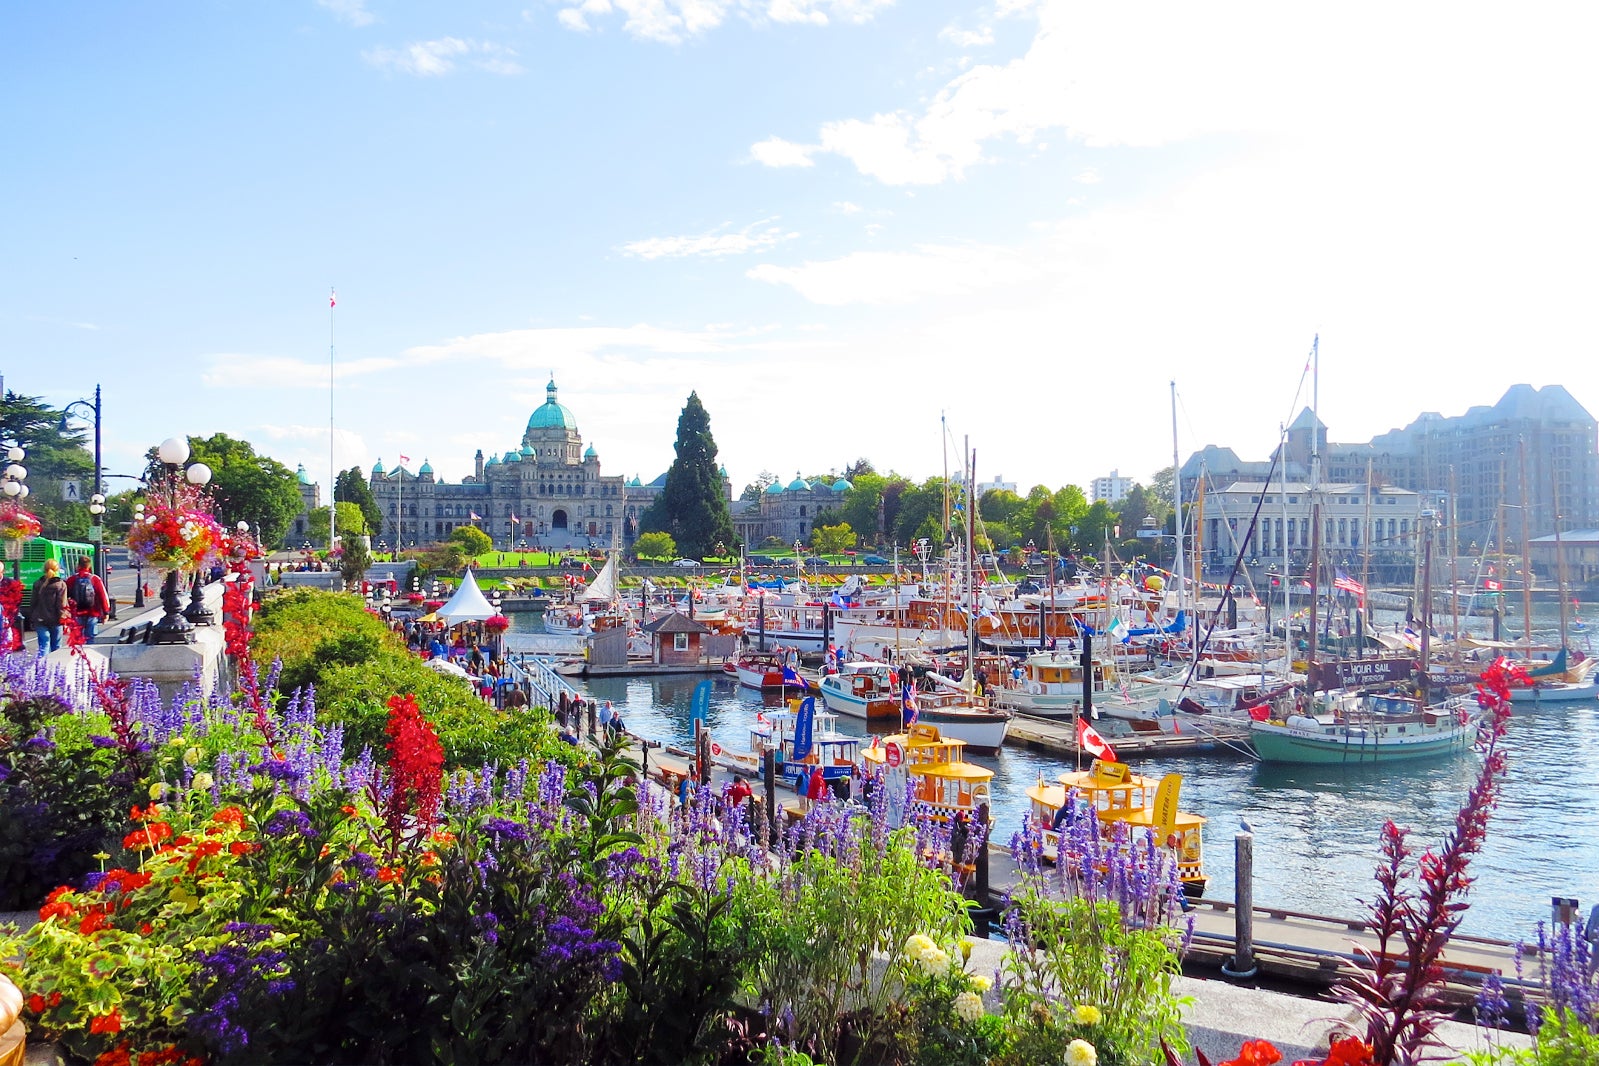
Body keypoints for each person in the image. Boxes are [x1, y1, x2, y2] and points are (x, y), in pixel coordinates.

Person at [29, 559, 68, 656]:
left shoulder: (37, 583)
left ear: (44, 569)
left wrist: (32, 617)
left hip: (40, 619)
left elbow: (33, 602)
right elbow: (62, 605)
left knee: (43, 645)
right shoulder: (60, 584)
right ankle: (54, 668)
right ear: (57, 569)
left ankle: (42, 667)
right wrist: (64, 619)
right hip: (56, 620)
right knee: (56, 647)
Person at [66, 558, 110, 642]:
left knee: (77, 639)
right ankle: (89, 654)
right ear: (89, 566)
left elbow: (65, 597)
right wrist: (106, 612)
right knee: (90, 638)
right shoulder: (95, 579)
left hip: (76, 613)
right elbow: (102, 596)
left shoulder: (71, 579)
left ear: (78, 565)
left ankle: (78, 654)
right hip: (92, 613)